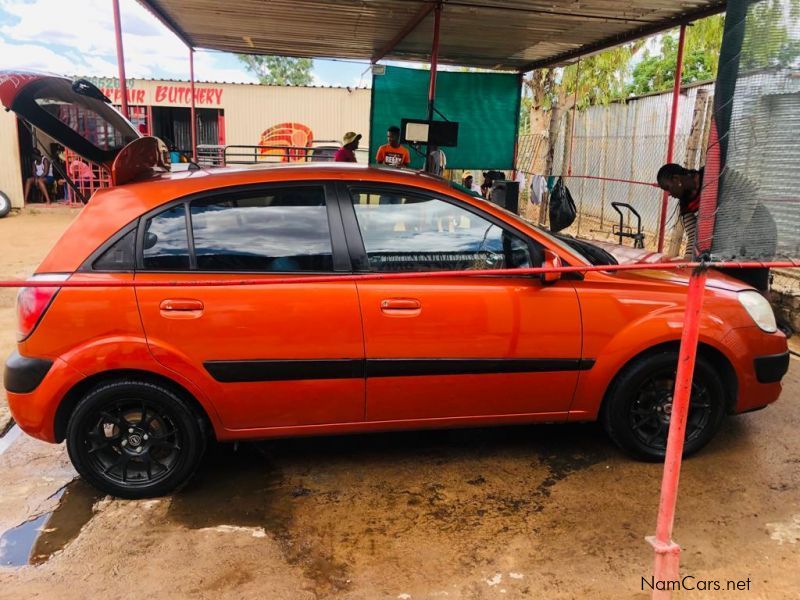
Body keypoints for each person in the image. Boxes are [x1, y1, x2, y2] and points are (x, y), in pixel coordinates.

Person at [656, 163, 703, 256]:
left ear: (676, 179)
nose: (668, 194)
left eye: (668, 188)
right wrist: (687, 261)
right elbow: (693, 235)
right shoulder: (685, 204)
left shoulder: (709, 176)